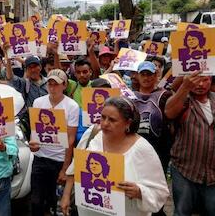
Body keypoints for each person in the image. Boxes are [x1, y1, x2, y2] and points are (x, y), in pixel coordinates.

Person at [61, 97, 169, 216]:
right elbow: (75, 168)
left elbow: (160, 193)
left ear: (128, 123)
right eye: (103, 117)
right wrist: (66, 196)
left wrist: (139, 192)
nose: (105, 123)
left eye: (112, 120)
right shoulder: (93, 135)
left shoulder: (142, 149)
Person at [29, 69, 79, 216]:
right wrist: (33, 145)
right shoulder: (38, 102)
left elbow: (70, 139)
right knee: (36, 201)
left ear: (64, 85)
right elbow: (35, 131)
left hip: (59, 160)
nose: (52, 87)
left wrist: (65, 169)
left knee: (54, 202)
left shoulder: (72, 106)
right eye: (50, 84)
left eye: (56, 84)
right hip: (40, 158)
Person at [165, 71, 215, 215]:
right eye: (196, 80)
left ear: (210, 80)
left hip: (212, 174)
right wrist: (184, 87)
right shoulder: (184, 100)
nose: (200, 84)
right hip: (185, 170)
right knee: (182, 211)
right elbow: (169, 111)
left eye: (204, 80)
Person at [134, 61, 173, 176]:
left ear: (156, 75)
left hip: (159, 148)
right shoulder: (129, 96)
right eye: (143, 74)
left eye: (149, 74)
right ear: (137, 76)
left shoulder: (165, 95)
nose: (146, 78)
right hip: (136, 147)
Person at [5, 54, 48, 139]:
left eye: (35, 66)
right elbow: (11, 78)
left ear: (40, 67)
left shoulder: (49, 82)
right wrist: (8, 59)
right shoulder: (25, 84)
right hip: (32, 122)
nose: (33, 70)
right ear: (26, 70)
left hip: (49, 120)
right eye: (29, 68)